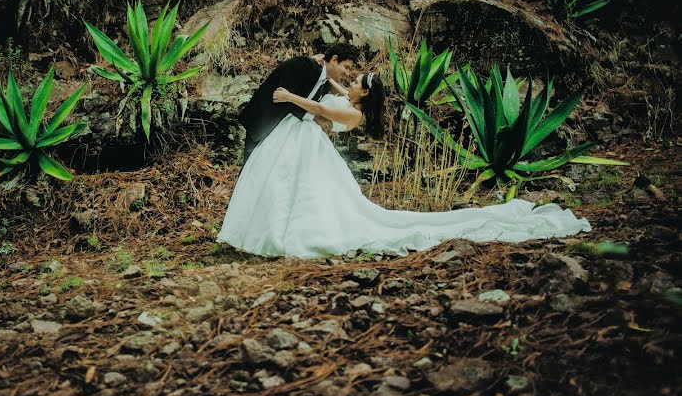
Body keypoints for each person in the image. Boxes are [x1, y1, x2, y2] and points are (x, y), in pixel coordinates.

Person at [217, 72, 591, 258]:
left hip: (313, 152)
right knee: (297, 191)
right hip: (310, 150)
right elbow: (332, 91)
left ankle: (286, 234)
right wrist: (323, 72)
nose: (351, 81)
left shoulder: (352, 115)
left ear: (364, 94)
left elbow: (319, 108)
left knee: (310, 198)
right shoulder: (351, 102)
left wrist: (289, 96)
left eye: (357, 81)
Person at [238, 44, 360, 165]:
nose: (348, 74)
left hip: (284, 135)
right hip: (265, 122)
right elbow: (283, 98)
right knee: (251, 169)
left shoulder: (325, 83)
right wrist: (316, 118)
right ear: (334, 60)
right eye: (346, 67)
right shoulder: (301, 65)